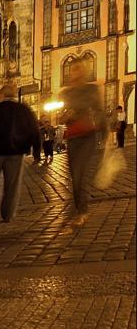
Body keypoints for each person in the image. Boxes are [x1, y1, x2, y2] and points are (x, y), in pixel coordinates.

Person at [0, 84, 39, 223]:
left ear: (1, 95)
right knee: (12, 185)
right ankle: (8, 214)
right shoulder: (23, 110)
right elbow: (34, 129)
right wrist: (36, 150)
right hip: (16, 152)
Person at [60, 62, 110, 228]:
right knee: (74, 176)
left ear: (85, 71)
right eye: (74, 69)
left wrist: (105, 132)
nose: (76, 72)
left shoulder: (91, 89)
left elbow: (99, 110)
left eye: (79, 69)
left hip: (88, 136)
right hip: (72, 137)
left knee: (80, 173)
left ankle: (82, 211)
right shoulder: (66, 92)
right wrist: (66, 116)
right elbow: (61, 117)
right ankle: (79, 208)